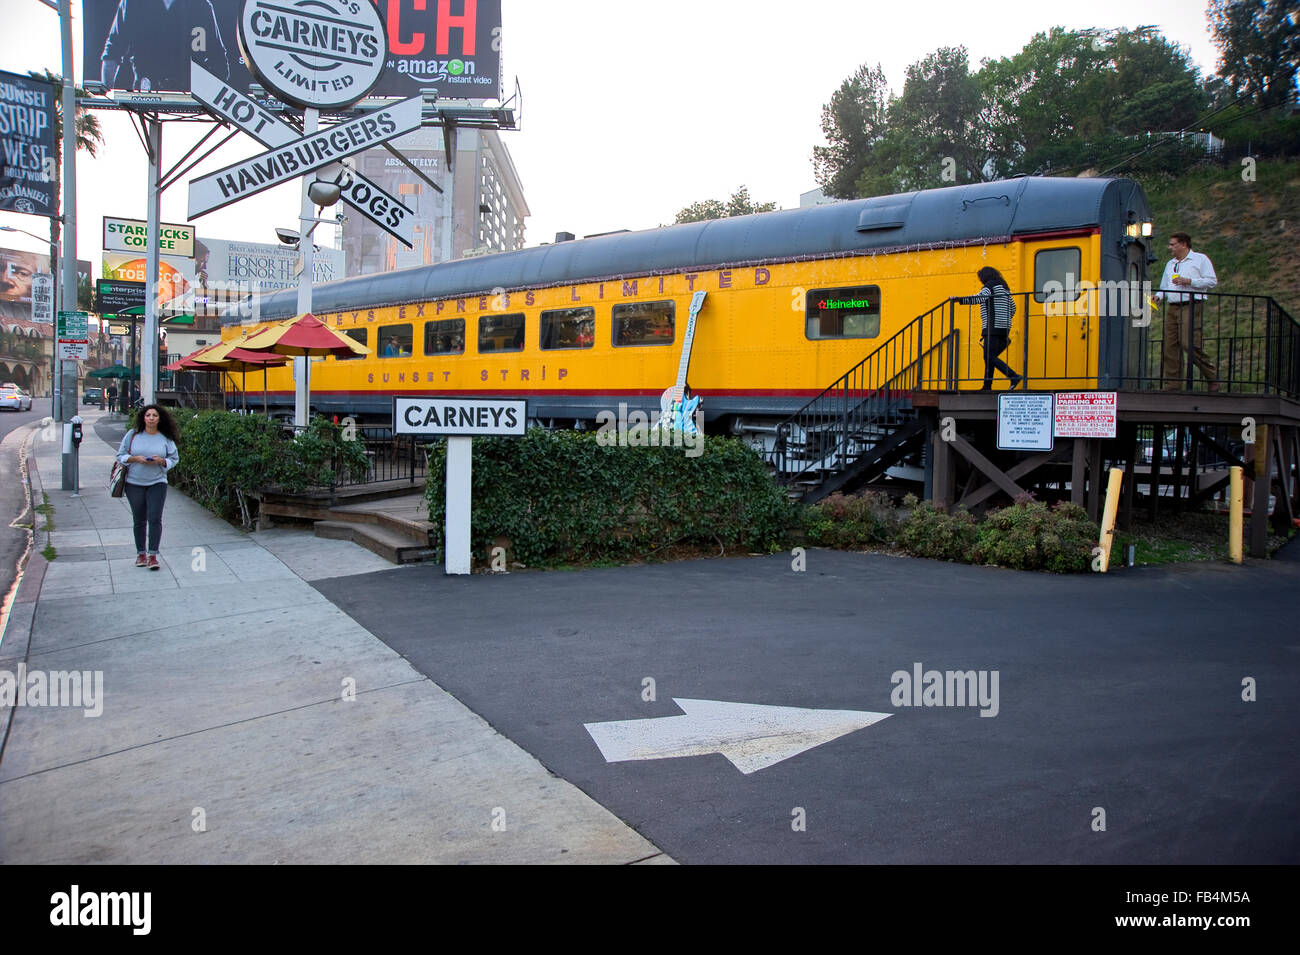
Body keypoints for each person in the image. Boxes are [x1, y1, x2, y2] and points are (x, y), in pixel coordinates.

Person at [100, 0, 230, 93]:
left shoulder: (201, 6)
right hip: (145, 89)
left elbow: (218, 58)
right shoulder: (132, 3)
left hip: (189, 91)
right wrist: (108, 91)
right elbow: (112, 50)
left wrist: (213, 97)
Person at [116, 404, 180, 570]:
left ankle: (153, 555)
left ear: (160, 419)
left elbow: (174, 458)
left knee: (154, 518)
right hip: (134, 483)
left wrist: (162, 461)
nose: (151, 418)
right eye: (148, 415)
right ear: (143, 418)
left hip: (157, 482)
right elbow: (120, 455)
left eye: (155, 415)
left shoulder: (166, 438)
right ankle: (141, 554)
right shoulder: (133, 435)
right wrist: (135, 459)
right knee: (139, 519)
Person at [1154, 232, 1219, 392]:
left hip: (1191, 304)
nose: (1170, 248)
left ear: (1183, 245)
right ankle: (1173, 385)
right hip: (1173, 306)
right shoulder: (1170, 264)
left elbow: (1211, 281)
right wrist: (1158, 296)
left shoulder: (1200, 259)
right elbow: (1165, 286)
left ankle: (1212, 377)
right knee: (1170, 346)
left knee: (1188, 343)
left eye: (1173, 244)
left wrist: (1189, 281)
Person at [957, 267, 1022, 391]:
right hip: (1004, 328)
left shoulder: (989, 286)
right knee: (989, 357)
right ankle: (987, 386)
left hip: (992, 327)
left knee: (989, 357)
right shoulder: (1004, 288)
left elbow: (979, 298)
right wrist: (1005, 319)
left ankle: (1013, 376)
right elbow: (1012, 307)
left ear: (984, 277)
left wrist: (960, 300)